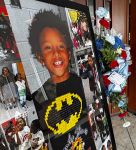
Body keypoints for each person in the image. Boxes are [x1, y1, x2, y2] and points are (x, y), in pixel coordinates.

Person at [28, 10, 95, 149]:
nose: (56, 53)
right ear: (40, 58)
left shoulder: (81, 82)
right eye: (48, 48)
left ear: (69, 53)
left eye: (60, 46)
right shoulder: (40, 96)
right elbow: (48, 134)